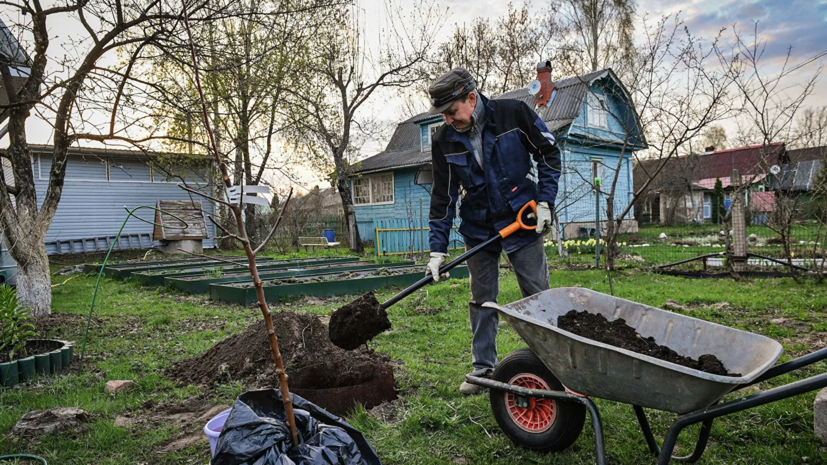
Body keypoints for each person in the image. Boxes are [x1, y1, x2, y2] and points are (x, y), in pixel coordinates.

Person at [424, 67, 561, 395]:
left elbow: (549, 153)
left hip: (522, 218)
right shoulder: (443, 140)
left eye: (452, 112)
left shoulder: (513, 114)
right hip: (480, 226)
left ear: (471, 98)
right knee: (482, 299)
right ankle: (483, 370)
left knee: (538, 295)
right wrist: (437, 250)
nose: (448, 121)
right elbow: (443, 196)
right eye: (442, 115)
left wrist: (544, 202)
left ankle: (553, 365)